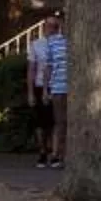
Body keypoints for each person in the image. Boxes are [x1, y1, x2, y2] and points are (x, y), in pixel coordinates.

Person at [26, 18, 67, 167]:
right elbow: (32, 69)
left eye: (54, 26)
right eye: (48, 26)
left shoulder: (63, 43)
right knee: (42, 123)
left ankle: (55, 155)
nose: (50, 28)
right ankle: (43, 152)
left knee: (58, 121)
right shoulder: (37, 45)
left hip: (57, 86)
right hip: (41, 85)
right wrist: (32, 92)